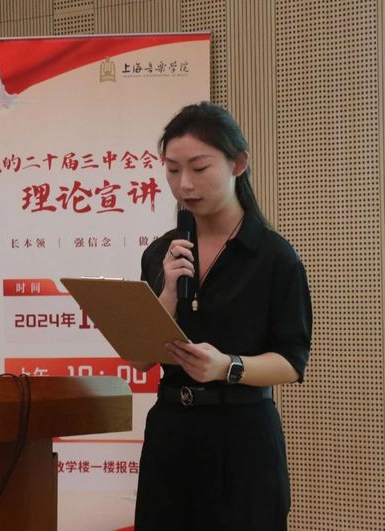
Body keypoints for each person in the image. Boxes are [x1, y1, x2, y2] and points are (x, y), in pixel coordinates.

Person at [133, 102, 312, 531]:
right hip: (171, 433)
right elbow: (139, 358)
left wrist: (227, 367)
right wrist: (168, 291)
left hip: (243, 439)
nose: (184, 183)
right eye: (172, 169)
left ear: (238, 163)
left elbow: (292, 361)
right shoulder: (161, 253)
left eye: (199, 168)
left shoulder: (273, 257)